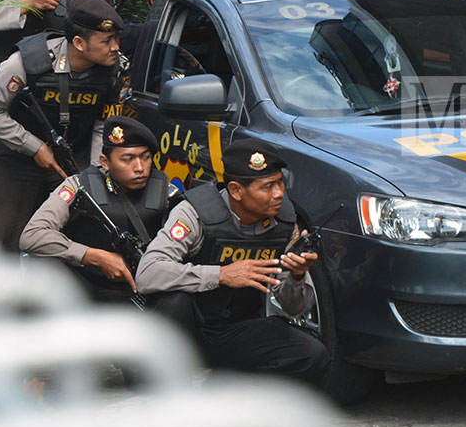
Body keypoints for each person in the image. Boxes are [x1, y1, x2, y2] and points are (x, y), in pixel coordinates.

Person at [135, 139, 329, 385]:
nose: (279, 193)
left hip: (235, 329)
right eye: (267, 186)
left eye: (280, 182)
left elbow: (292, 308)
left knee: (312, 356)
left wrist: (297, 276)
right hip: (187, 327)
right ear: (236, 190)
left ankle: (223, 391)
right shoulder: (194, 213)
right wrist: (221, 275)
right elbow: (148, 273)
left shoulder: (284, 223)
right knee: (174, 302)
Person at [0, 0, 127, 252]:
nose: (115, 47)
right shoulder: (30, 62)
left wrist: (92, 175)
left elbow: (104, 125)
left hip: (74, 158)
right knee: (0, 241)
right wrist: (34, 147)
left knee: (80, 236)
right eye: (106, 41)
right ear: (79, 43)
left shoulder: (115, 72)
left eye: (116, 38)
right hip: (18, 160)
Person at [19, 116, 180, 302]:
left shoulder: (167, 194)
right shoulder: (78, 186)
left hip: (141, 291)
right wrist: (95, 256)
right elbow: (32, 236)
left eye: (146, 158)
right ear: (105, 162)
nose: (139, 168)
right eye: (128, 159)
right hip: (83, 286)